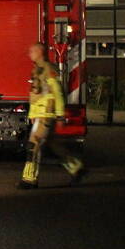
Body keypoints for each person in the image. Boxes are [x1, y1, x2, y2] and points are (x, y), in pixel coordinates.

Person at [18, 43, 87, 189]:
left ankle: (29, 179)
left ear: (40, 52)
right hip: (40, 114)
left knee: (33, 144)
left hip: (46, 114)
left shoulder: (48, 69)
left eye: (32, 50)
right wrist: (32, 114)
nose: (29, 53)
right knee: (53, 144)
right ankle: (77, 169)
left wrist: (60, 115)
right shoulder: (37, 70)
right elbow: (35, 94)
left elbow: (57, 91)